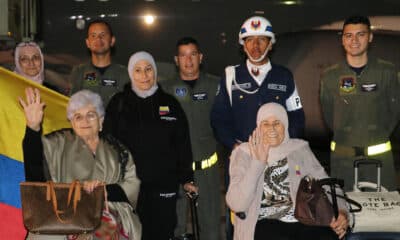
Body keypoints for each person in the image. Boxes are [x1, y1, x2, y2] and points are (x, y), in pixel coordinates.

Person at [210, 15, 305, 239]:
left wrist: (285, 150)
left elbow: (298, 118)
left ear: (271, 44)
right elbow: (218, 118)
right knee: (241, 222)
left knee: (279, 223)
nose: (255, 46)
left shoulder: (285, 76)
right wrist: (234, 146)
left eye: (262, 39)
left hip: (279, 167)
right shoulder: (230, 76)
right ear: (242, 45)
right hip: (244, 164)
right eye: (249, 40)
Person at [19, 88, 141, 239]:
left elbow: (133, 184)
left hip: (109, 210)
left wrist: (102, 190)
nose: (85, 121)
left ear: (101, 120)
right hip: (63, 211)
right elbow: (35, 172)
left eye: (91, 115)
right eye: (78, 117)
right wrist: (33, 128)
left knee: (105, 227)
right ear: (71, 122)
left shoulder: (118, 149)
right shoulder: (57, 142)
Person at [103, 51, 198, 240]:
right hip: (127, 187)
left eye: (148, 69)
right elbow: (107, 144)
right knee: (128, 234)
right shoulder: (119, 103)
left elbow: (182, 143)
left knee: (161, 233)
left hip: (163, 185)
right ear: (131, 73)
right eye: (138, 70)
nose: (144, 75)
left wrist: (187, 177)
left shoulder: (170, 104)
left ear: (154, 71)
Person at [226, 102, 349, 240]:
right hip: (262, 221)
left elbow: (327, 183)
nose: (271, 128)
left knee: (327, 237)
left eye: (277, 123)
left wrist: (342, 211)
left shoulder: (299, 149)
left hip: (303, 218)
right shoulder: (244, 153)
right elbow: (237, 203)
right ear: (258, 127)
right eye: (265, 124)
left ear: (285, 125)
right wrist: (257, 163)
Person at [320, 15, 399, 191]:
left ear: (370, 37)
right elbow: (329, 115)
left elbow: (394, 113)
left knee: (383, 214)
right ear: (342, 40)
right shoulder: (330, 76)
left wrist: (373, 134)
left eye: (360, 34)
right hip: (343, 161)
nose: (354, 40)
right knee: (345, 212)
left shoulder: (387, 72)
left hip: (379, 160)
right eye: (349, 35)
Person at [160, 37, 220, 240]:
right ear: (176, 60)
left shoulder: (215, 86)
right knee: (173, 227)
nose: (188, 60)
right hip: (175, 172)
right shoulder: (164, 90)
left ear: (200, 57)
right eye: (183, 55)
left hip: (207, 172)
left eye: (193, 54)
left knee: (211, 228)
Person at [69, 19, 130, 107]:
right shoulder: (79, 72)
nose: (98, 39)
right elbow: (72, 105)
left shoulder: (125, 73)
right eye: (93, 36)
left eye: (103, 35)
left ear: (112, 41)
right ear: (87, 43)